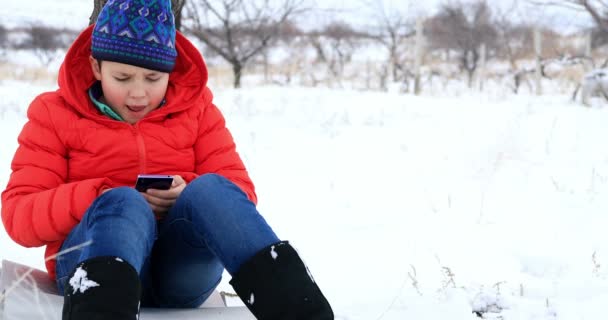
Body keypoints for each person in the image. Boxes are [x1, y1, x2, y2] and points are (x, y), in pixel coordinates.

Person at [0, 0, 333, 319]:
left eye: (153, 78)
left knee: (212, 189)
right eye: (123, 78)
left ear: (169, 71)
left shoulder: (198, 111)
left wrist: (185, 193)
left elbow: (239, 197)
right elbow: (19, 217)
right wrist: (97, 197)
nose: (139, 94)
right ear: (96, 67)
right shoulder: (54, 114)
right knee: (122, 201)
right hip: (93, 265)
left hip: (180, 274)